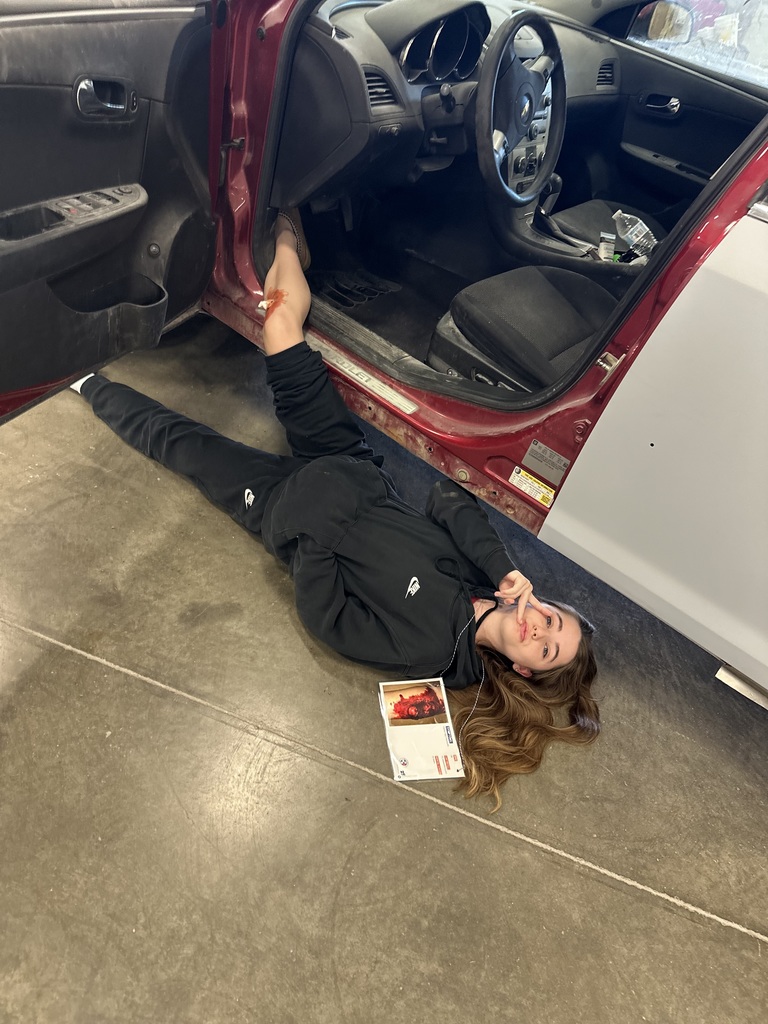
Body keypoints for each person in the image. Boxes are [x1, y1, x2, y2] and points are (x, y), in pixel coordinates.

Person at [70, 210, 600, 809]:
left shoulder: (431, 652)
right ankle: (286, 233)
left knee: (186, 448)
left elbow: (332, 622)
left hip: (287, 508)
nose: (538, 629)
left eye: (546, 648)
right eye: (552, 618)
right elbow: (448, 497)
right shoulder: (487, 576)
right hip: (345, 460)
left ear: (524, 669)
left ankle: (87, 384)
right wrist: (501, 565)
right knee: (279, 325)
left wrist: (310, 534)